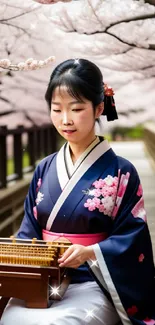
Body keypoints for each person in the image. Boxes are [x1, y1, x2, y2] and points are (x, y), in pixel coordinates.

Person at [1, 58, 155, 325]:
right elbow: (28, 232)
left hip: (95, 282)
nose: (65, 120)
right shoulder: (45, 168)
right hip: (43, 283)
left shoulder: (121, 172)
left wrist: (91, 251)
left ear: (98, 108)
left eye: (76, 108)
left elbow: (134, 238)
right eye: (57, 109)